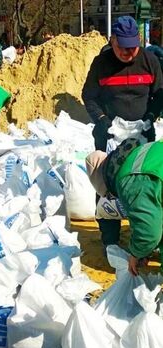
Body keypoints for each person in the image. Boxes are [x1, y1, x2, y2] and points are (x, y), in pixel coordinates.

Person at [82, 15, 163, 250]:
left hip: (142, 133)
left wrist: (150, 117)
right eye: (123, 48)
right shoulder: (101, 63)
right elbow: (89, 96)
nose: (129, 53)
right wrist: (102, 120)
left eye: (133, 47)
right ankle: (110, 238)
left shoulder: (149, 61)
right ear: (113, 40)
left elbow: (159, 94)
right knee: (105, 184)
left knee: (143, 183)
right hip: (109, 133)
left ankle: (145, 235)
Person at [87, 139, 163, 276]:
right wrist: (145, 250)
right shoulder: (141, 154)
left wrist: (135, 254)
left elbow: (148, 233)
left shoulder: (130, 181)